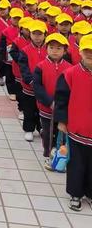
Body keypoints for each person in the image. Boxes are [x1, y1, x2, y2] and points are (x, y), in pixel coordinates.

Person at [55, 34, 92, 212]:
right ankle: (76, 194)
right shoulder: (70, 74)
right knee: (76, 163)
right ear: (80, 52)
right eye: (87, 51)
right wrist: (62, 121)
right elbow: (61, 99)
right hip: (76, 127)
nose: (90, 54)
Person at [32, 33, 71, 167]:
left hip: (64, 109)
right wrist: (50, 102)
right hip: (46, 108)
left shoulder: (69, 68)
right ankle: (48, 155)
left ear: (65, 51)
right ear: (46, 48)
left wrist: (63, 104)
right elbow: (37, 87)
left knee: (62, 133)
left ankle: (61, 157)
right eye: (52, 47)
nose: (55, 51)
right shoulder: (40, 66)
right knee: (48, 133)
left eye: (59, 48)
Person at [18, 20, 47, 141]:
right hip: (29, 87)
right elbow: (23, 67)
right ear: (30, 34)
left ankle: (41, 128)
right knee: (29, 109)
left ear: (45, 34)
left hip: (45, 87)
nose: (37, 37)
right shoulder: (25, 50)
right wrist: (30, 81)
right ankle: (29, 129)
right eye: (34, 34)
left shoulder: (49, 49)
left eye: (40, 34)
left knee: (43, 110)